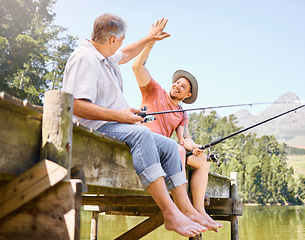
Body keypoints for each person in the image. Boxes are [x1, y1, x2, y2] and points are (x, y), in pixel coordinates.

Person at [62, 13, 216, 237]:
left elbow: (128, 52)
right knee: (142, 135)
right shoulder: (84, 58)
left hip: (117, 123)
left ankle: (187, 209)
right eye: (122, 38)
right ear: (112, 40)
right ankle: (169, 212)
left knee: (173, 147)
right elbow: (74, 105)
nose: (124, 42)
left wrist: (150, 38)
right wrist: (119, 116)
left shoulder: (107, 58)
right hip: (96, 127)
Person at [132, 41, 223, 231]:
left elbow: (184, 140)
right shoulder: (154, 90)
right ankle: (183, 208)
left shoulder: (182, 113)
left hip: (165, 150)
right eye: (177, 82)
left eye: (183, 86)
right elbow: (137, 66)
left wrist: (195, 148)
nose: (177, 86)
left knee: (203, 161)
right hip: (146, 144)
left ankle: (198, 210)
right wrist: (150, 42)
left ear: (187, 95)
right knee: (179, 149)